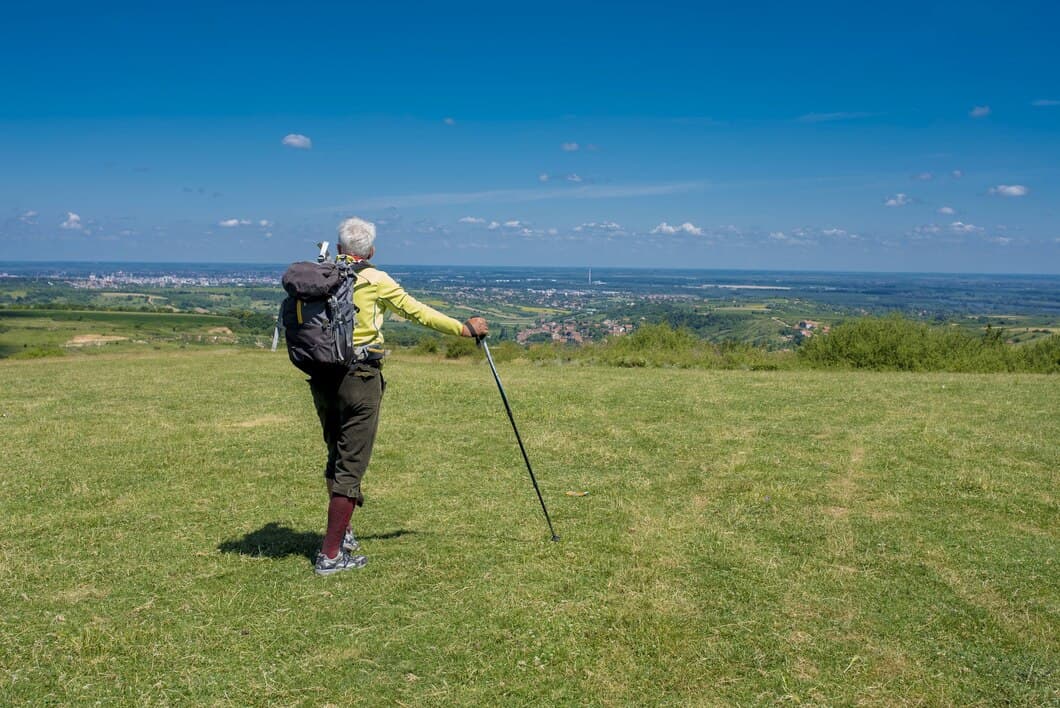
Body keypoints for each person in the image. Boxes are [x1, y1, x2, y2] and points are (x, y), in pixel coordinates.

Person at [310, 216, 488, 575]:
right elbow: (417, 312)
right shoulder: (376, 279)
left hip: (321, 375)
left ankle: (342, 535)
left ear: (340, 247)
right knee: (352, 462)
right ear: (371, 251)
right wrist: (463, 329)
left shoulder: (320, 275)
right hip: (360, 377)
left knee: (336, 452)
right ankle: (330, 555)